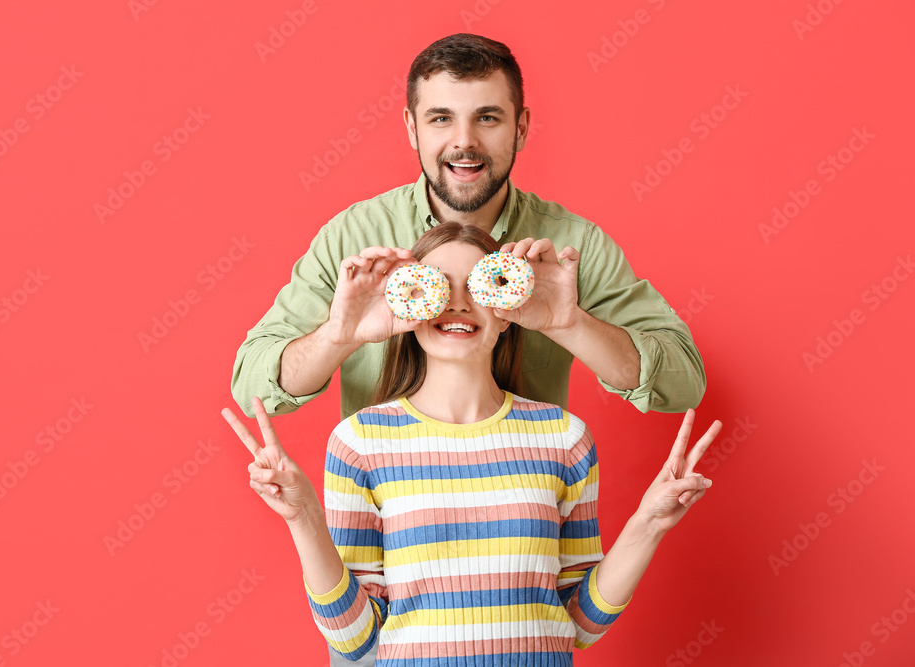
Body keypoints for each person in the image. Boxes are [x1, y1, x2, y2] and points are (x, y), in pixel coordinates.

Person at [222, 223, 722, 665]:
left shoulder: (564, 438)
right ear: (409, 306)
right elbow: (355, 639)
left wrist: (647, 524)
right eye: (438, 287)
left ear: (509, 311)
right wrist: (304, 517)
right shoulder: (360, 443)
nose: (459, 303)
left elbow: (579, 624)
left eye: (481, 286)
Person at [231, 33, 706, 425]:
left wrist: (571, 324)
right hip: (384, 505)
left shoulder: (572, 247)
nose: (464, 142)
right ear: (412, 129)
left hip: (528, 502)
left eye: (488, 118)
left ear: (520, 128)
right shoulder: (352, 237)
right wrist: (340, 334)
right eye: (441, 119)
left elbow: (683, 384)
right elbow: (253, 386)